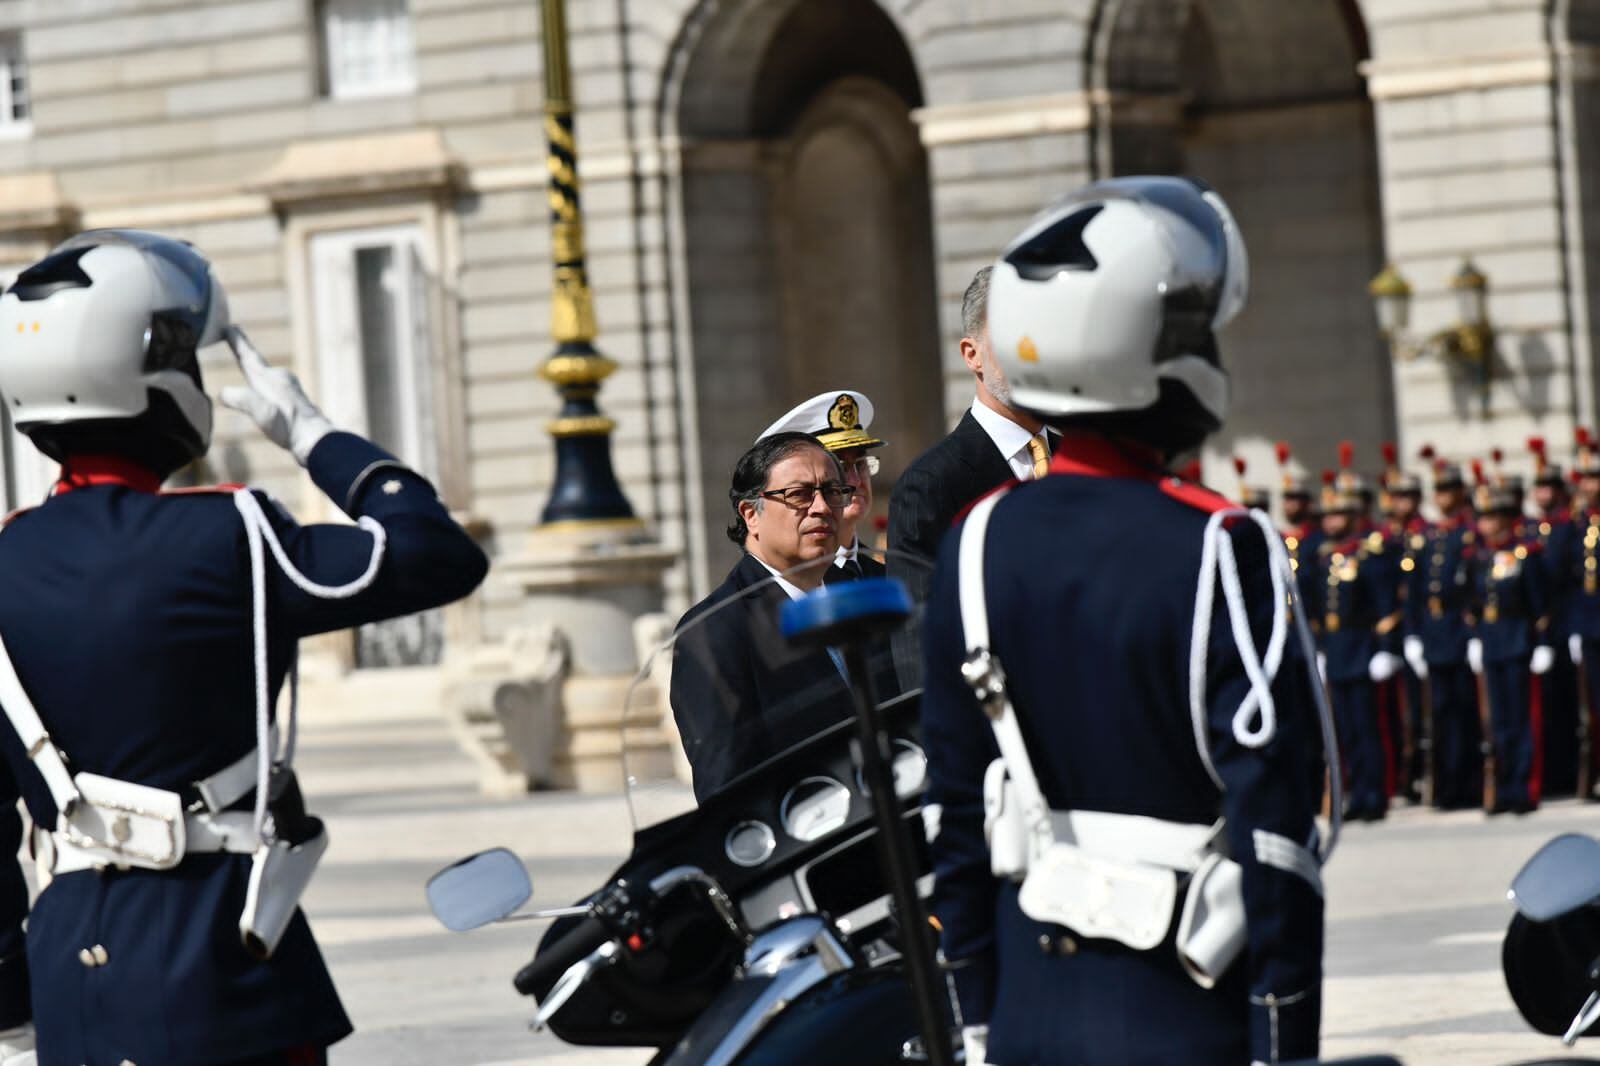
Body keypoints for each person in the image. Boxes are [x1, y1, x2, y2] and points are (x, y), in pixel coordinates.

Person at [0, 230, 488, 1065]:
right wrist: (314, 434)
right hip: (225, 963)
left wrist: (12, 996)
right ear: (154, 372)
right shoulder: (228, 535)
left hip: (72, 973)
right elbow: (438, 555)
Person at [922, 177, 1329, 1066]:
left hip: (1029, 1007)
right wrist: (1283, 1028)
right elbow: (1276, 822)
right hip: (1185, 1008)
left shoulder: (974, 542)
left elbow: (955, 813)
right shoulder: (1223, 542)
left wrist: (981, 1018)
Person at [669, 432, 858, 801]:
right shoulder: (712, 630)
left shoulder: (858, 594)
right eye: (799, 495)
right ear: (751, 514)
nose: (821, 507)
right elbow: (728, 792)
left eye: (833, 491)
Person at [887, 266, 1054, 605]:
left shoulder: (1084, 458)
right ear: (971, 354)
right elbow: (918, 633)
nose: (1031, 354)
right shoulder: (930, 484)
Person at [1311, 456, 1399, 822]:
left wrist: (1386, 652)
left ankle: (1373, 794)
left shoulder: (1368, 556)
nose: (1330, 522)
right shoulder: (1322, 557)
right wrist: (1318, 649)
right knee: (1344, 731)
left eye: (1337, 515)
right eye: (1327, 517)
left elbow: (1386, 607)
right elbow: (1314, 608)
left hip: (1363, 649)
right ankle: (1353, 794)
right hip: (1336, 650)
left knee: (1367, 729)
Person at [1466, 478, 1553, 814]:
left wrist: (1542, 644)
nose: (1485, 523)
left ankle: (1525, 788)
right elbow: (1472, 604)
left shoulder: (1526, 555)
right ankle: (1503, 787)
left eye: (1491, 516)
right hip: (1491, 643)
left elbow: (1540, 606)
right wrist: (1475, 640)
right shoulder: (1479, 557)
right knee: (1498, 722)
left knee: (1522, 720)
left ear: (1505, 518)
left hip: (1518, 643)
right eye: (1481, 516)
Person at [1403, 453, 1480, 809]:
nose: (1443, 496)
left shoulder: (1470, 534)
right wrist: (1414, 634)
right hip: (1434, 634)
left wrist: (1474, 630)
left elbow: (1478, 586)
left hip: (1459, 631)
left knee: (1466, 712)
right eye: (1439, 490)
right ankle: (1448, 786)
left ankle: (1470, 784)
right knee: (1441, 715)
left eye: (1449, 489)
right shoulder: (1429, 537)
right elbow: (1415, 590)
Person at [756, 390, 888, 579]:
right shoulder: (793, 582)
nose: (856, 481)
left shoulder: (887, 576)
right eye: (838, 467)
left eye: (861, 464)